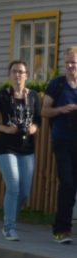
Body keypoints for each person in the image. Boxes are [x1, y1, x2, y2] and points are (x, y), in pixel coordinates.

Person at [0, 60, 40, 242]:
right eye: (14, 71)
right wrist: (6, 129)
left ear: (27, 75)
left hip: (27, 148)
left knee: (24, 192)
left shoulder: (33, 96)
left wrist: (33, 128)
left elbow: (38, 120)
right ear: (9, 75)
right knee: (14, 186)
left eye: (21, 72)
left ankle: (8, 221)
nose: (18, 75)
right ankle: (10, 227)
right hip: (6, 148)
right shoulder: (2, 96)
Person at [43, 46, 77, 244]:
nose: (71, 66)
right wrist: (62, 109)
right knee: (67, 184)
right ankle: (62, 229)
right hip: (62, 140)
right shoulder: (57, 84)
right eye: (68, 62)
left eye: (74, 62)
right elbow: (44, 111)